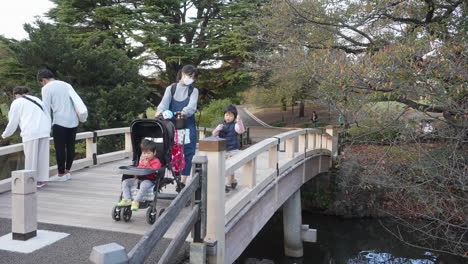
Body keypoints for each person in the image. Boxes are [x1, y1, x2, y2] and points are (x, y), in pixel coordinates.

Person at [155, 64, 199, 189]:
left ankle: (183, 181)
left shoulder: (193, 91)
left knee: (188, 151)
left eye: (193, 77)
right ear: (182, 74)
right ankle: (161, 176)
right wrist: (159, 113)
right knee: (166, 149)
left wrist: (183, 112)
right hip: (170, 124)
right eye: (189, 75)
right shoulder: (171, 88)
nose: (190, 78)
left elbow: (191, 107)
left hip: (186, 124)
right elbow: (164, 103)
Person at [1, 86, 51, 188]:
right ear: (27, 93)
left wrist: (4, 135)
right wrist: (48, 128)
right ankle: (41, 180)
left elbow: (12, 122)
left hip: (31, 132)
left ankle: (30, 182)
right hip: (44, 130)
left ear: (16, 94)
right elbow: (47, 115)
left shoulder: (17, 102)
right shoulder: (37, 99)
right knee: (42, 157)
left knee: (31, 159)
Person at [38, 69, 79, 181]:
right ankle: (67, 171)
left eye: (41, 82)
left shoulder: (46, 88)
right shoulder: (67, 85)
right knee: (71, 146)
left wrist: (46, 126)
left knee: (60, 148)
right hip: (74, 120)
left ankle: (61, 174)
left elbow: (46, 109)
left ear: (44, 80)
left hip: (60, 121)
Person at [116, 139, 162, 211]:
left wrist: (148, 165)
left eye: (148, 153)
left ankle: (136, 201)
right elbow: (138, 169)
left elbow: (154, 170)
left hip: (150, 180)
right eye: (144, 153)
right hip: (139, 179)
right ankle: (127, 199)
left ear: (154, 153)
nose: (146, 155)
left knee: (144, 184)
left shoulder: (156, 161)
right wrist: (135, 175)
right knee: (125, 182)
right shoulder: (142, 161)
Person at [213, 105, 245, 192]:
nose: (228, 117)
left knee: (230, 166)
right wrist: (217, 129)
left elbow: (241, 131)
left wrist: (239, 122)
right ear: (224, 115)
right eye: (227, 115)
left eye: (231, 115)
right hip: (223, 149)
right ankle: (232, 181)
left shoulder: (235, 125)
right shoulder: (221, 125)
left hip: (232, 149)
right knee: (223, 166)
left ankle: (229, 182)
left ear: (234, 117)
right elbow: (214, 135)